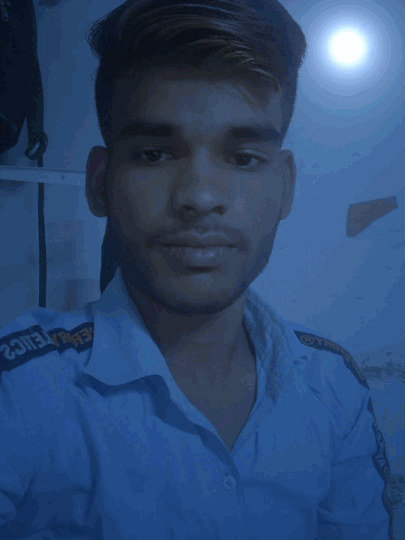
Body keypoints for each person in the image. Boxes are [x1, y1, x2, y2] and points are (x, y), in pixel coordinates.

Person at [0, 1, 394, 538]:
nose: (200, 197)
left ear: (285, 187)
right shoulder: (18, 391)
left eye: (243, 158)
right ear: (99, 183)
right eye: (155, 154)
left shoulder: (334, 386)